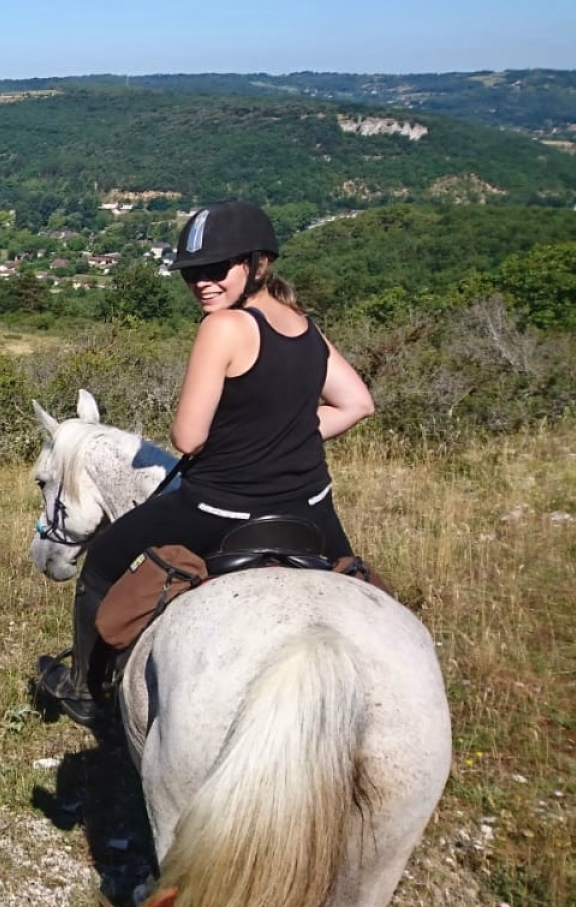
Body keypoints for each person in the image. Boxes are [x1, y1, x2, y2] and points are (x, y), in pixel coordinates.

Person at [36, 200, 376, 725]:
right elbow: (357, 404)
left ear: (259, 265)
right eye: (192, 273)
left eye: (217, 269)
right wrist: (285, 436)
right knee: (359, 591)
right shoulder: (306, 329)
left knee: (101, 564)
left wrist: (244, 444)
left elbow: (188, 438)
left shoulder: (223, 328)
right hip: (312, 510)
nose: (202, 283)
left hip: (219, 506)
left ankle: (82, 688)